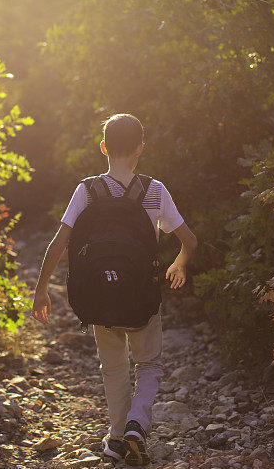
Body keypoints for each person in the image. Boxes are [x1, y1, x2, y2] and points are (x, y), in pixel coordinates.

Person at [31, 113, 198, 465]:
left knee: (114, 368)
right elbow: (190, 241)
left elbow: (58, 243)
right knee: (149, 364)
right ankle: (137, 424)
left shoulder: (87, 190)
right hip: (142, 298)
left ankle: (118, 437)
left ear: (103, 147)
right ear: (140, 149)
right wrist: (179, 262)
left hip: (99, 300)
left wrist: (42, 288)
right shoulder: (154, 190)